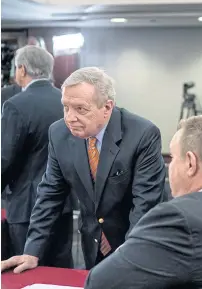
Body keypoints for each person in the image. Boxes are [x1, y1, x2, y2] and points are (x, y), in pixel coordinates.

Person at [1, 67, 166, 273]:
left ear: (107, 107)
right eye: (66, 107)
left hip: (136, 242)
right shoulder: (59, 133)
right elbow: (49, 194)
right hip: (93, 241)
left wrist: (129, 257)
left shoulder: (142, 134)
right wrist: (32, 250)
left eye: (80, 109)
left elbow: (145, 204)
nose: (70, 117)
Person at [83, 115, 202, 289]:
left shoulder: (179, 218)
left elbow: (100, 281)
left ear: (190, 163)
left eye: (172, 158)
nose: (169, 167)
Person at [1, 46, 74, 268]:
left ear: (21, 69)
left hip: (26, 206)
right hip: (63, 204)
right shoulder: (66, 103)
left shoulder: (16, 105)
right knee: (59, 272)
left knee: (25, 272)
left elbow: (4, 159)